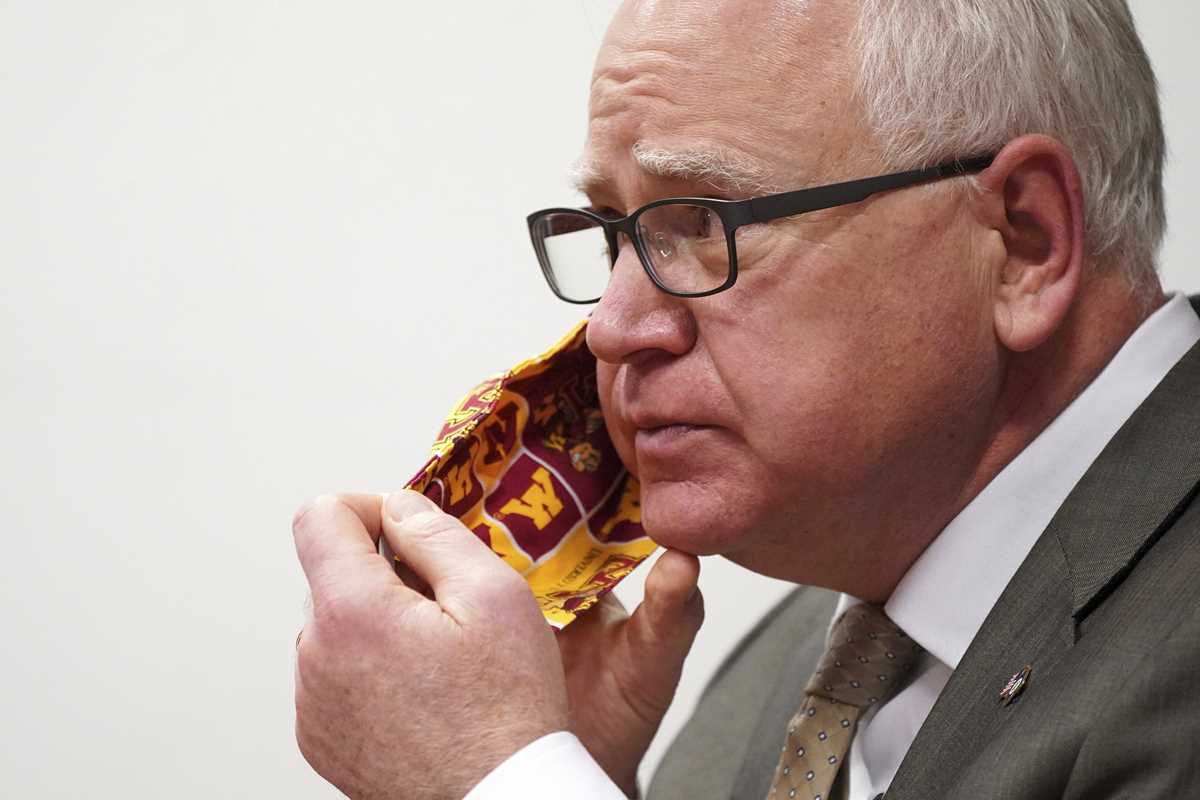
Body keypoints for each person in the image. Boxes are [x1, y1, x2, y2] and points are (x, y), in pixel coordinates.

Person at [291, 0, 1200, 797]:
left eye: (704, 223)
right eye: (612, 235)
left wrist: (503, 778)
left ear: (1024, 241)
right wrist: (579, 774)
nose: (612, 329)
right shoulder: (788, 676)